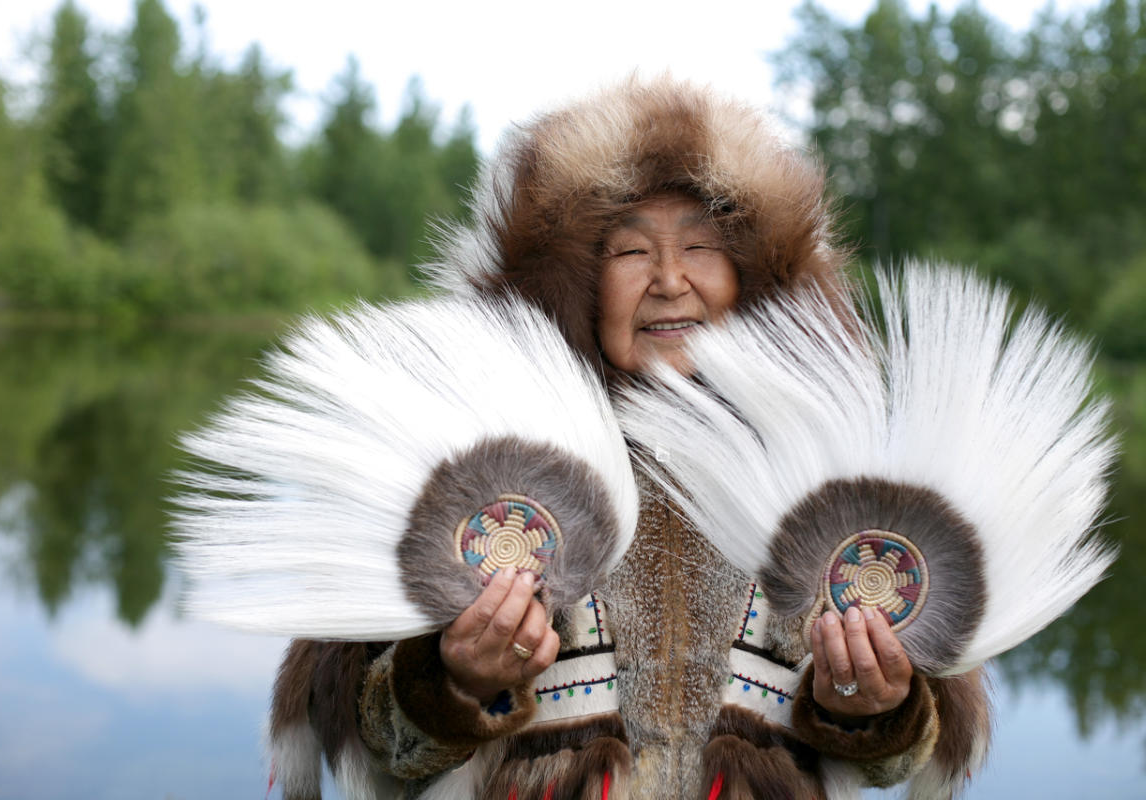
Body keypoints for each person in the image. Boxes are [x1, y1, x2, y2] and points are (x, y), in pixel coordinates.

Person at [268, 77, 991, 800]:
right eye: (630, 252)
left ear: (753, 276)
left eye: (702, 246)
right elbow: (384, 746)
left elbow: (890, 763)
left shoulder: (829, 476)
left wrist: (872, 709)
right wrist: (456, 682)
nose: (670, 279)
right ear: (573, 280)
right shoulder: (474, 467)